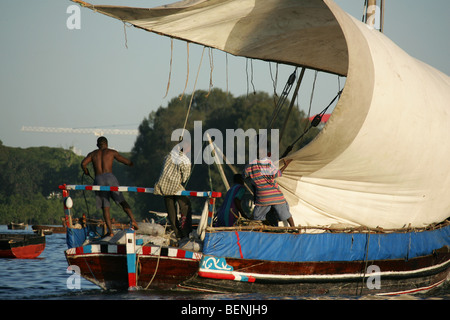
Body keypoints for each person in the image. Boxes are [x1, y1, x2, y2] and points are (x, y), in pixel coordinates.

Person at [81, 136, 138, 237]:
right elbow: (125, 161)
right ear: (107, 144)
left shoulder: (93, 154)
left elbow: (83, 163)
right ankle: (133, 220)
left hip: (98, 179)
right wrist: (134, 164)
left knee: (105, 208)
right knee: (122, 201)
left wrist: (86, 171)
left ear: (97, 145)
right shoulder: (112, 152)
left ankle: (110, 232)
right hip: (110, 178)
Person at [243, 135, 295, 227]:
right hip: (276, 196)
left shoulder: (251, 165)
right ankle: (294, 228)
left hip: (262, 197)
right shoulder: (268, 163)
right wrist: (285, 165)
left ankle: (258, 231)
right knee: (285, 215)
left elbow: (245, 174)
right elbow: (276, 173)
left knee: (257, 217)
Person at [154, 140, 192, 240]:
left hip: (162, 186)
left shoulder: (168, 156)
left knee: (171, 211)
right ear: (187, 148)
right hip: (175, 186)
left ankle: (177, 232)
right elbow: (184, 178)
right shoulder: (185, 160)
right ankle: (185, 232)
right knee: (186, 205)